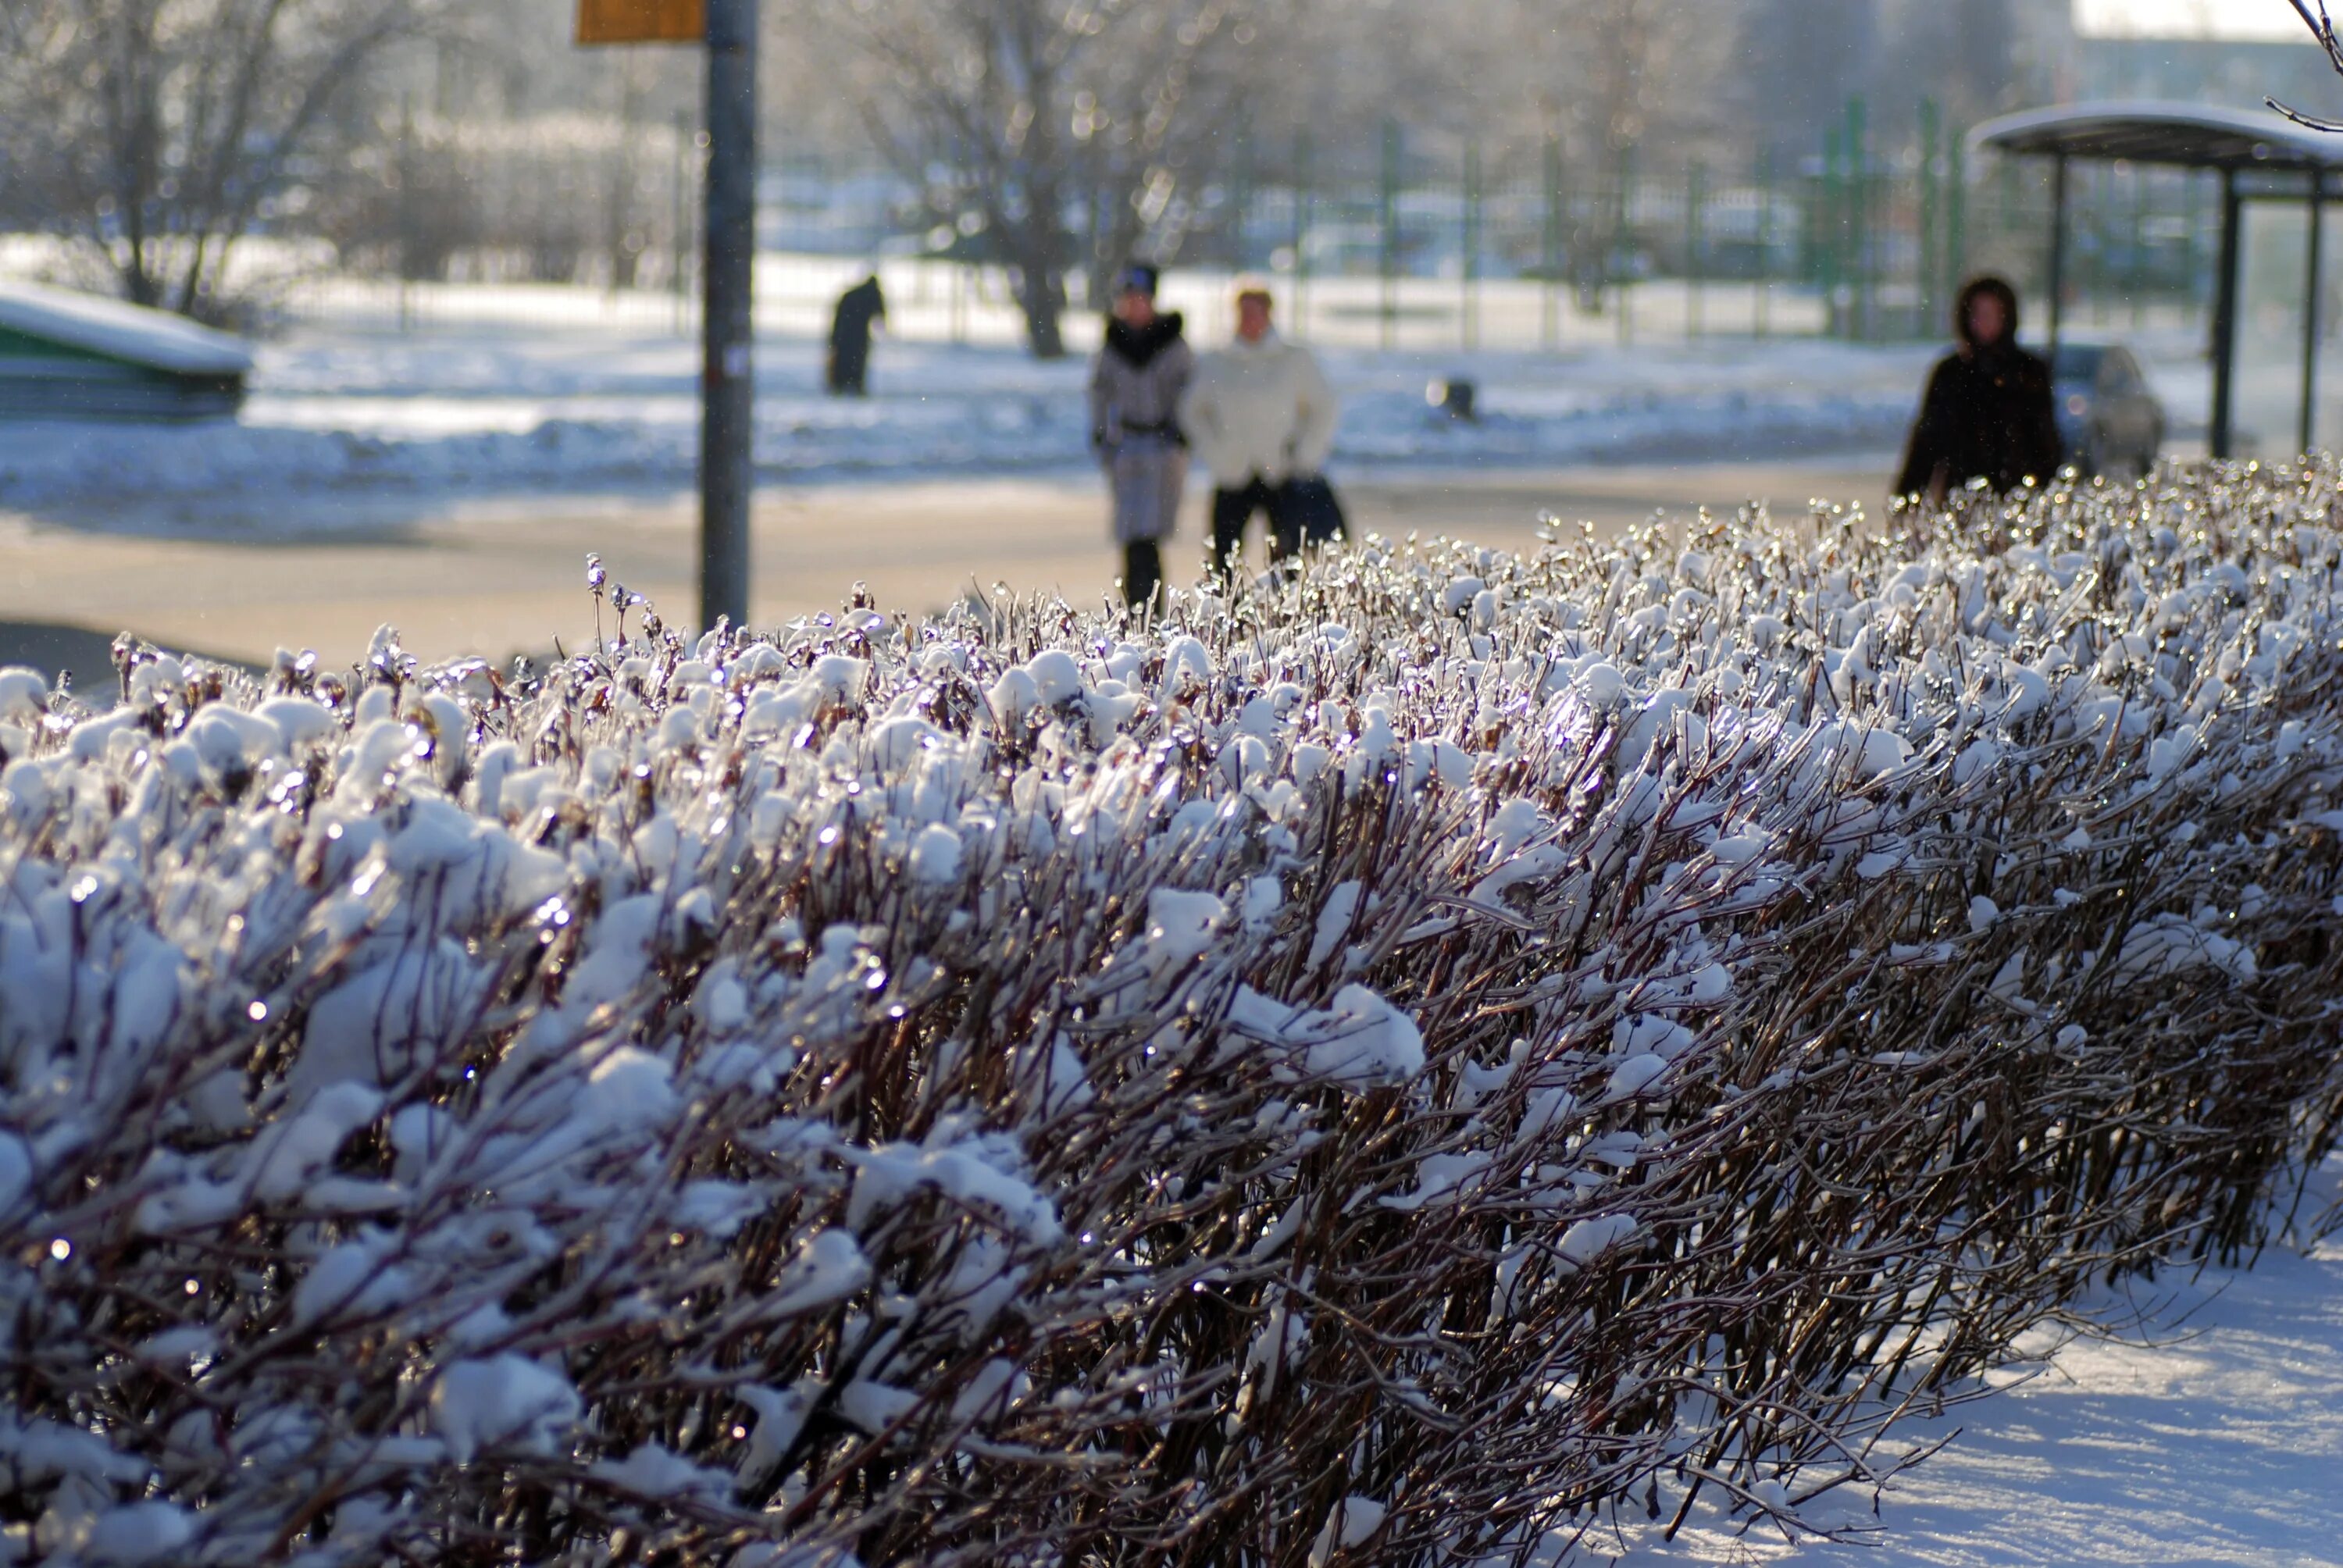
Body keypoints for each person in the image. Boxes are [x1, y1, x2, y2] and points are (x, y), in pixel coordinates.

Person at [1179, 280, 1339, 576]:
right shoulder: (1217, 362)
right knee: (1224, 560)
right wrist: (1215, 452)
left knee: (1286, 558)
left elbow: (1324, 407)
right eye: (1244, 312)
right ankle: (1230, 617)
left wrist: (1304, 456)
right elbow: (1191, 411)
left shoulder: (1293, 359)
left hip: (1280, 471)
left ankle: (1284, 617)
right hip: (1233, 472)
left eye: (1257, 311)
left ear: (1269, 313)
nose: (1251, 319)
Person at [1895, 275, 2063, 504]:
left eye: (1991, 314)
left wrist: (2049, 493)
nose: (1983, 322)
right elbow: (1927, 442)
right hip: (1961, 500)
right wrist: (1906, 497)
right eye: (1976, 313)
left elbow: (2045, 441)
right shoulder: (1951, 374)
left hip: (2018, 501)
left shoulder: (2028, 373)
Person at [1087, 262, 1194, 611]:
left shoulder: (1171, 344)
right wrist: (1102, 435)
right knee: (1131, 534)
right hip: (1128, 446)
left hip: (1163, 447)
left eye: (1141, 298)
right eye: (1127, 298)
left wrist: (1183, 432)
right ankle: (1134, 608)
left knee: (1150, 537)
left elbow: (1192, 393)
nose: (1134, 305)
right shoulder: (1113, 344)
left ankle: (1152, 611)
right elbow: (1098, 393)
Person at [826, 273, 887, 396]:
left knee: (843, 357)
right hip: (859, 332)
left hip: (844, 330)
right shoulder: (873, 294)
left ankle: (840, 384)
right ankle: (856, 383)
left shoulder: (851, 295)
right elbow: (881, 313)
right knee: (858, 358)